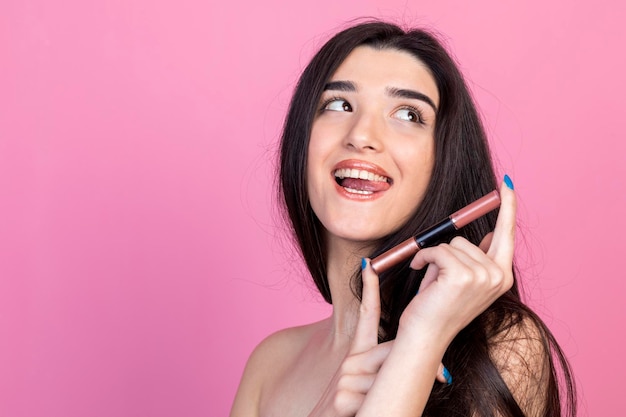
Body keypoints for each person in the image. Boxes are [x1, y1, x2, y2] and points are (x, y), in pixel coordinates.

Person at [230, 20, 576, 417]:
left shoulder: (501, 347)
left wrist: (422, 340)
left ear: (443, 162)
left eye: (408, 114)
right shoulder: (270, 365)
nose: (362, 135)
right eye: (339, 105)